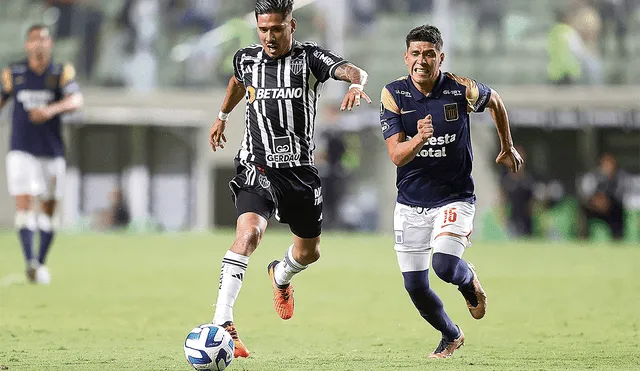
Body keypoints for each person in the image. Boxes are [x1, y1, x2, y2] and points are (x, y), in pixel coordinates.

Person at [207, 0, 371, 358]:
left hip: (299, 173)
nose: (269, 36)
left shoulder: (310, 59)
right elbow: (238, 80)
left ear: (291, 26)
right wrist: (222, 115)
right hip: (256, 166)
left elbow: (352, 70)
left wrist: (356, 86)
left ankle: (280, 275)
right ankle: (223, 321)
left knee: (308, 253)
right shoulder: (246, 58)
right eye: (263, 29)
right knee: (248, 234)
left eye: (276, 29)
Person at [379, 25, 523, 358]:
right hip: (410, 202)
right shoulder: (393, 94)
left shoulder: (460, 88)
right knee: (415, 286)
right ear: (406, 57)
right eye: (415, 53)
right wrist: (418, 138)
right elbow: (396, 155)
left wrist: (507, 146)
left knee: (444, 265)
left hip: (454, 197)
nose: (422, 60)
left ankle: (467, 278)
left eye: (429, 53)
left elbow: (496, 101)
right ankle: (451, 334)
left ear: (440, 57)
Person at [0, 25, 84, 284]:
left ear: (51, 45)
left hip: (51, 150)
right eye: (35, 39)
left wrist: (49, 111)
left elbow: (76, 100)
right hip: (21, 150)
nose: (39, 44)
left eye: (44, 39)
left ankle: (41, 261)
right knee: (24, 205)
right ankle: (31, 262)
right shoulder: (13, 73)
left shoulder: (61, 72)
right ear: (27, 45)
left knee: (48, 209)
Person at [578, 152, 627, 240]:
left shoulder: (620, 177)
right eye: (607, 164)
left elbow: (623, 198)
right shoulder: (592, 177)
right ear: (602, 164)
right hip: (593, 210)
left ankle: (618, 239)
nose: (609, 167)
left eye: (612, 164)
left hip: (612, 210)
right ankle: (582, 239)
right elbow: (586, 197)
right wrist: (598, 202)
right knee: (581, 212)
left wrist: (607, 203)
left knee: (620, 214)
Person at [500, 145, 535, 237]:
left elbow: (532, 203)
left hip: (526, 221)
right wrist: (503, 219)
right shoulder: (506, 181)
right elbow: (502, 201)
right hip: (511, 221)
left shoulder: (528, 181)